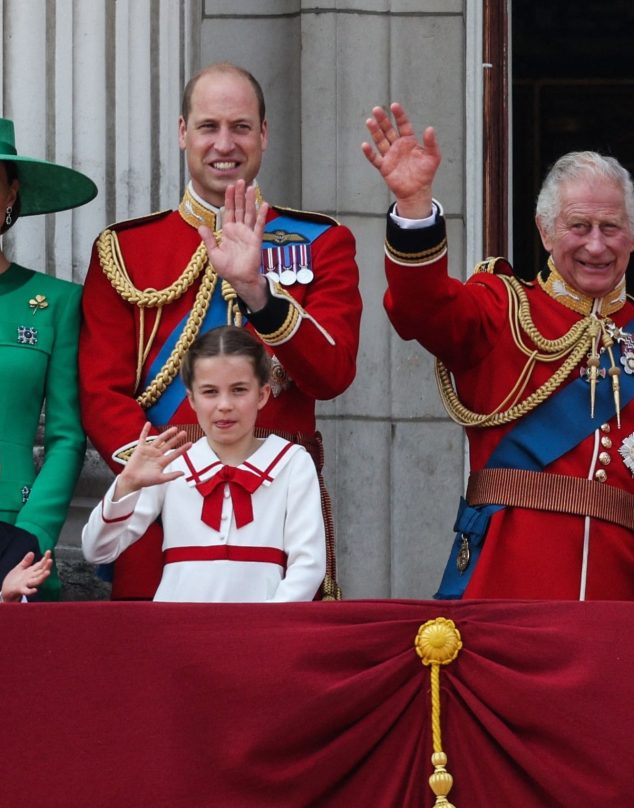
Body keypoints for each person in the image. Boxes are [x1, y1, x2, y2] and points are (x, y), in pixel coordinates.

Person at [79, 62, 361, 600]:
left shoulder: (321, 241)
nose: (224, 143)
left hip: (277, 497)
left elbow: (333, 372)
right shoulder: (125, 249)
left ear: (264, 134)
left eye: (241, 127)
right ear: (183, 132)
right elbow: (100, 392)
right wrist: (166, 474)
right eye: (209, 126)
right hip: (160, 506)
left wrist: (260, 294)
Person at [363, 102, 634, 600]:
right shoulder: (502, 310)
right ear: (545, 231)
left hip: (618, 604)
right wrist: (415, 207)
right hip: (508, 590)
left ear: (632, 236)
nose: (596, 246)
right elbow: (420, 308)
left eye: (610, 227)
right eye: (579, 227)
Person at [82, 326, 326, 602]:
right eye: (210, 392)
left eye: (239, 390)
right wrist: (126, 484)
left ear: (262, 395)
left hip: (262, 632)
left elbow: (308, 565)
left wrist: (267, 627)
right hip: (179, 632)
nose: (224, 405)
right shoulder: (172, 464)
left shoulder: (293, 462)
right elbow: (98, 550)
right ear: (192, 399)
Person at [0, 117, 97, 599]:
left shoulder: (56, 302)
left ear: (10, 194)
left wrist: (30, 537)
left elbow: (66, 437)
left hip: (19, 537)